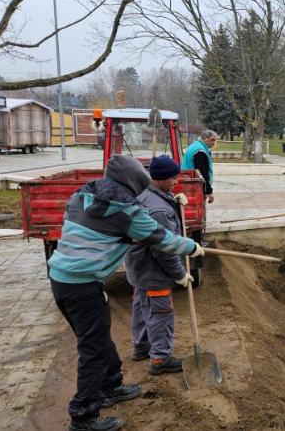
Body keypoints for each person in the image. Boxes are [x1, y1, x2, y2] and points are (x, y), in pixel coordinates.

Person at [48, 155, 204, 431]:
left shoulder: (81, 197)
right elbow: (162, 240)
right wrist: (191, 247)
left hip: (63, 279)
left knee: (100, 340)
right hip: (81, 285)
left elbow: (112, 230)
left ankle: (110, 386)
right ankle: (82, 416)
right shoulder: (126, 212)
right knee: (93, 351)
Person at [125, 155, 191, 375]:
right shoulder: (158, 211)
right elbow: (165, 248)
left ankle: (141, 348)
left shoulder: (149, 194)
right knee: (160, 313)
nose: (177, 180)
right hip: (154, 271)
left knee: (143, 309)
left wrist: (173, 200)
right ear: (160, 178)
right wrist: (180, 274)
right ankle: (161, 359)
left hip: (139, 269)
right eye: (173, 177)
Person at [181, 129, 217, 204]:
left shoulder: (197, 145)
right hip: (194, 185)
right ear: (205, 138)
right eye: (212, 140)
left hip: (189, 182)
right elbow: (202, 173)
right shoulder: (200, 151)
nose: (214, 143)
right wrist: (209, 191)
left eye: (215, 140)